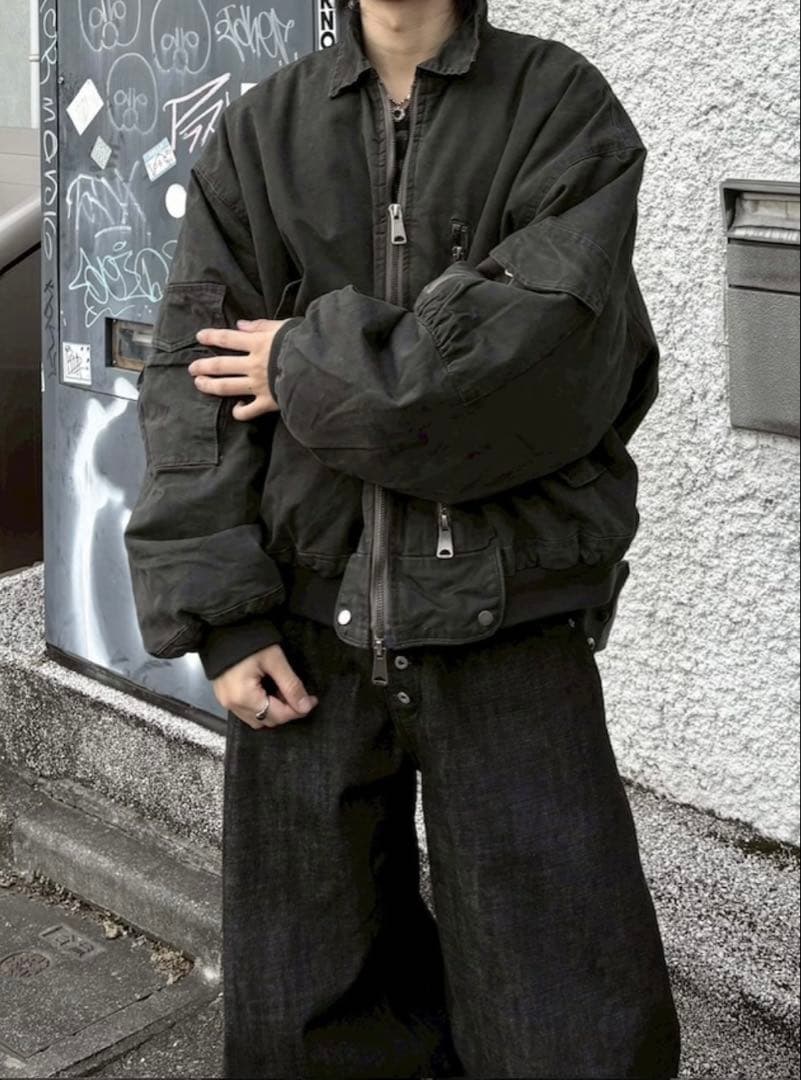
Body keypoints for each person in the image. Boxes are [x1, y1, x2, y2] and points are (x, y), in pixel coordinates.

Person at [123, 0, 682, 1076]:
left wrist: (297, 361)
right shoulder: (262, 130)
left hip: (511, 620)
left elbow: (529, 372)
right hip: (302, 629)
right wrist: (222, 616)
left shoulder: (560, 107)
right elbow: (194, 382)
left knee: (563, 1020)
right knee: (311, 1018)